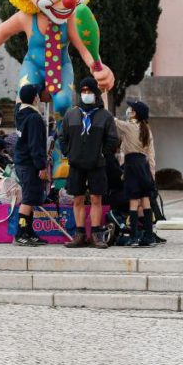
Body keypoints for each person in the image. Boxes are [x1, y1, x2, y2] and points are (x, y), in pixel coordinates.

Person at [59, 77, 118, 249]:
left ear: (96, 93)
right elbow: (62, 137)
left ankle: (96, 234)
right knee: (77, 199)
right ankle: (79, 235)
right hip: (76, 163)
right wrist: (68, 152)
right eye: (83, 91)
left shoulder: (105, 116)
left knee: (95, 198)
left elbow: (112, 139)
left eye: (89, 91)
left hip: (97, 164)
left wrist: (103, 154)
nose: (86, 94)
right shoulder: (71, 114)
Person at [115, 100, 158, 247]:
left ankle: (133, 236)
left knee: (133, 201)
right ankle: (149, 236)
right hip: (144, 166)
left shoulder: (129, 127)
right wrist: (152, 174)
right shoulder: (147, 130)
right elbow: (151, 154)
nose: (128, 111)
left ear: (135, 114)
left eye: (131, 110)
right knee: (145, 200)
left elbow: (113, 120)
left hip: (131, 165)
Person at [13, 84, 48, 246]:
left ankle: (29, 231)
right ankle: (20, 233)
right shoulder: (34, 118)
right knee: (28, 199)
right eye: (37, 95)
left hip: (22, 161)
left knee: (32, 198)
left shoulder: (21, 112)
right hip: (29, 164)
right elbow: (35, 145)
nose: (39, 97)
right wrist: (41, 166)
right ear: (34, 98)